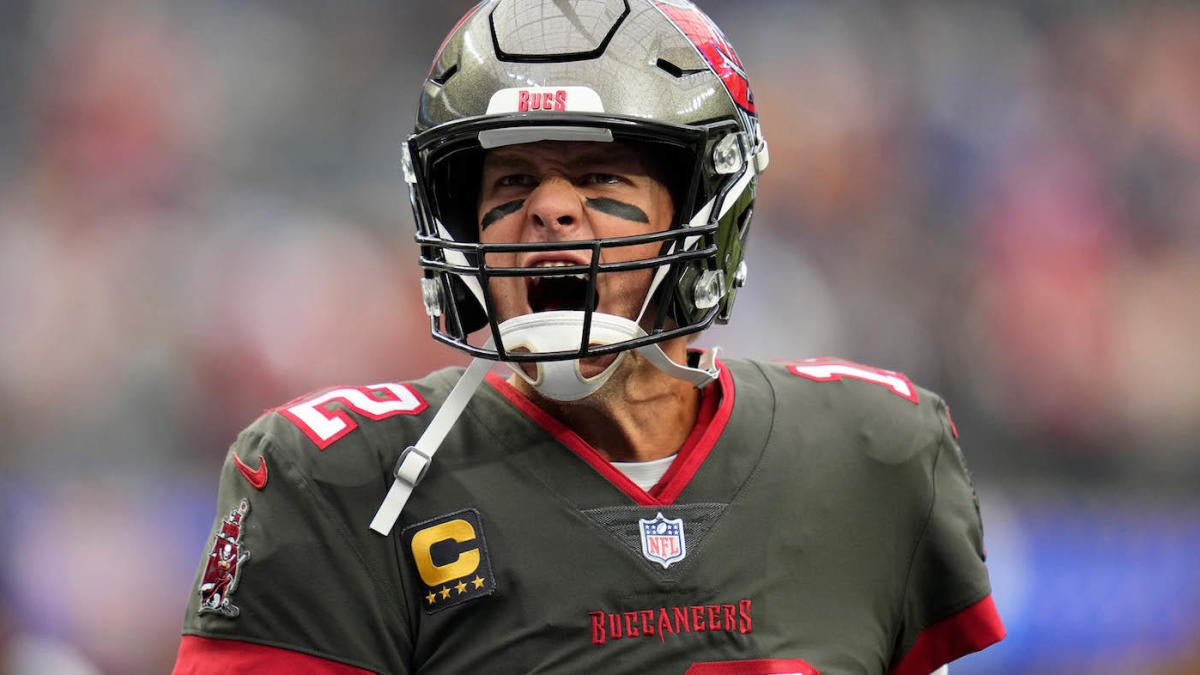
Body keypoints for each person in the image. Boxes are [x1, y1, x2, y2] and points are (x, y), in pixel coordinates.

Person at [173, 1, 1004, 673]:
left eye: (600, 175)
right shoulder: (338, 478)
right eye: (512, 180)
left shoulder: (875, 452)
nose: (550, 209)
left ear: (705, 206)